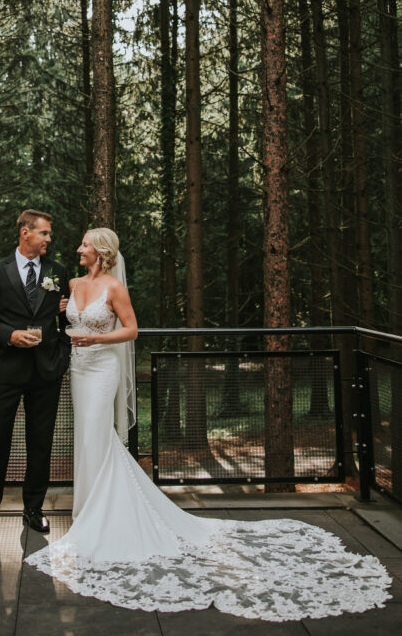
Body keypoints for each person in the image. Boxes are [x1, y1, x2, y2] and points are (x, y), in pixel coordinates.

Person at [26, 228, 392, 621]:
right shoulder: (73, 282)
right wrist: (64, 310)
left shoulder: (114, 287)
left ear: (99, 251)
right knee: (86, 439)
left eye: (84, 244)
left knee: (99, 434)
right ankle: (87, 512)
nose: (78, 249)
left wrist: (96, 342)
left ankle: (102, 517)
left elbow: (131, 330)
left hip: (101, 370)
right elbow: (66, 319)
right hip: (78, 372)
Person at [0, 209, 71, 538]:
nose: (49, 239)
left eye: (49, 234)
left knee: (40, 443)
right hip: (6, 370)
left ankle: (34, 508)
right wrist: (9, 335)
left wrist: (62, 356)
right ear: (25, 233)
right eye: (44, 233)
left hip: (46, 371)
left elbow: (69, 321)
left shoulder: (57, 271)